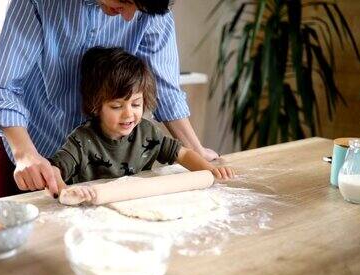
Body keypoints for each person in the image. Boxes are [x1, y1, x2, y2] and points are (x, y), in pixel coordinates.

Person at [0, 0, 219, 198]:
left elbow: (165, 89)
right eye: (125, 0)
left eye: (138, 8)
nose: (129, 17)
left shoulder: (147, 6)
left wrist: (195, 150)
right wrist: (26, 154)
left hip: (102, 165)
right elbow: (3, 86)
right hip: (33, 143)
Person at [49, 47, 235, 200]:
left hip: (135, 204)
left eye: (136, 104)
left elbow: (183, 154)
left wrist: (211, 170)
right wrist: (66, 191)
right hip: (92, 211)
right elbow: (54, 171)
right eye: (116, 106)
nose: (128, 114)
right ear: (96, 106)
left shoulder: (146, 132)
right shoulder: (82, 141)